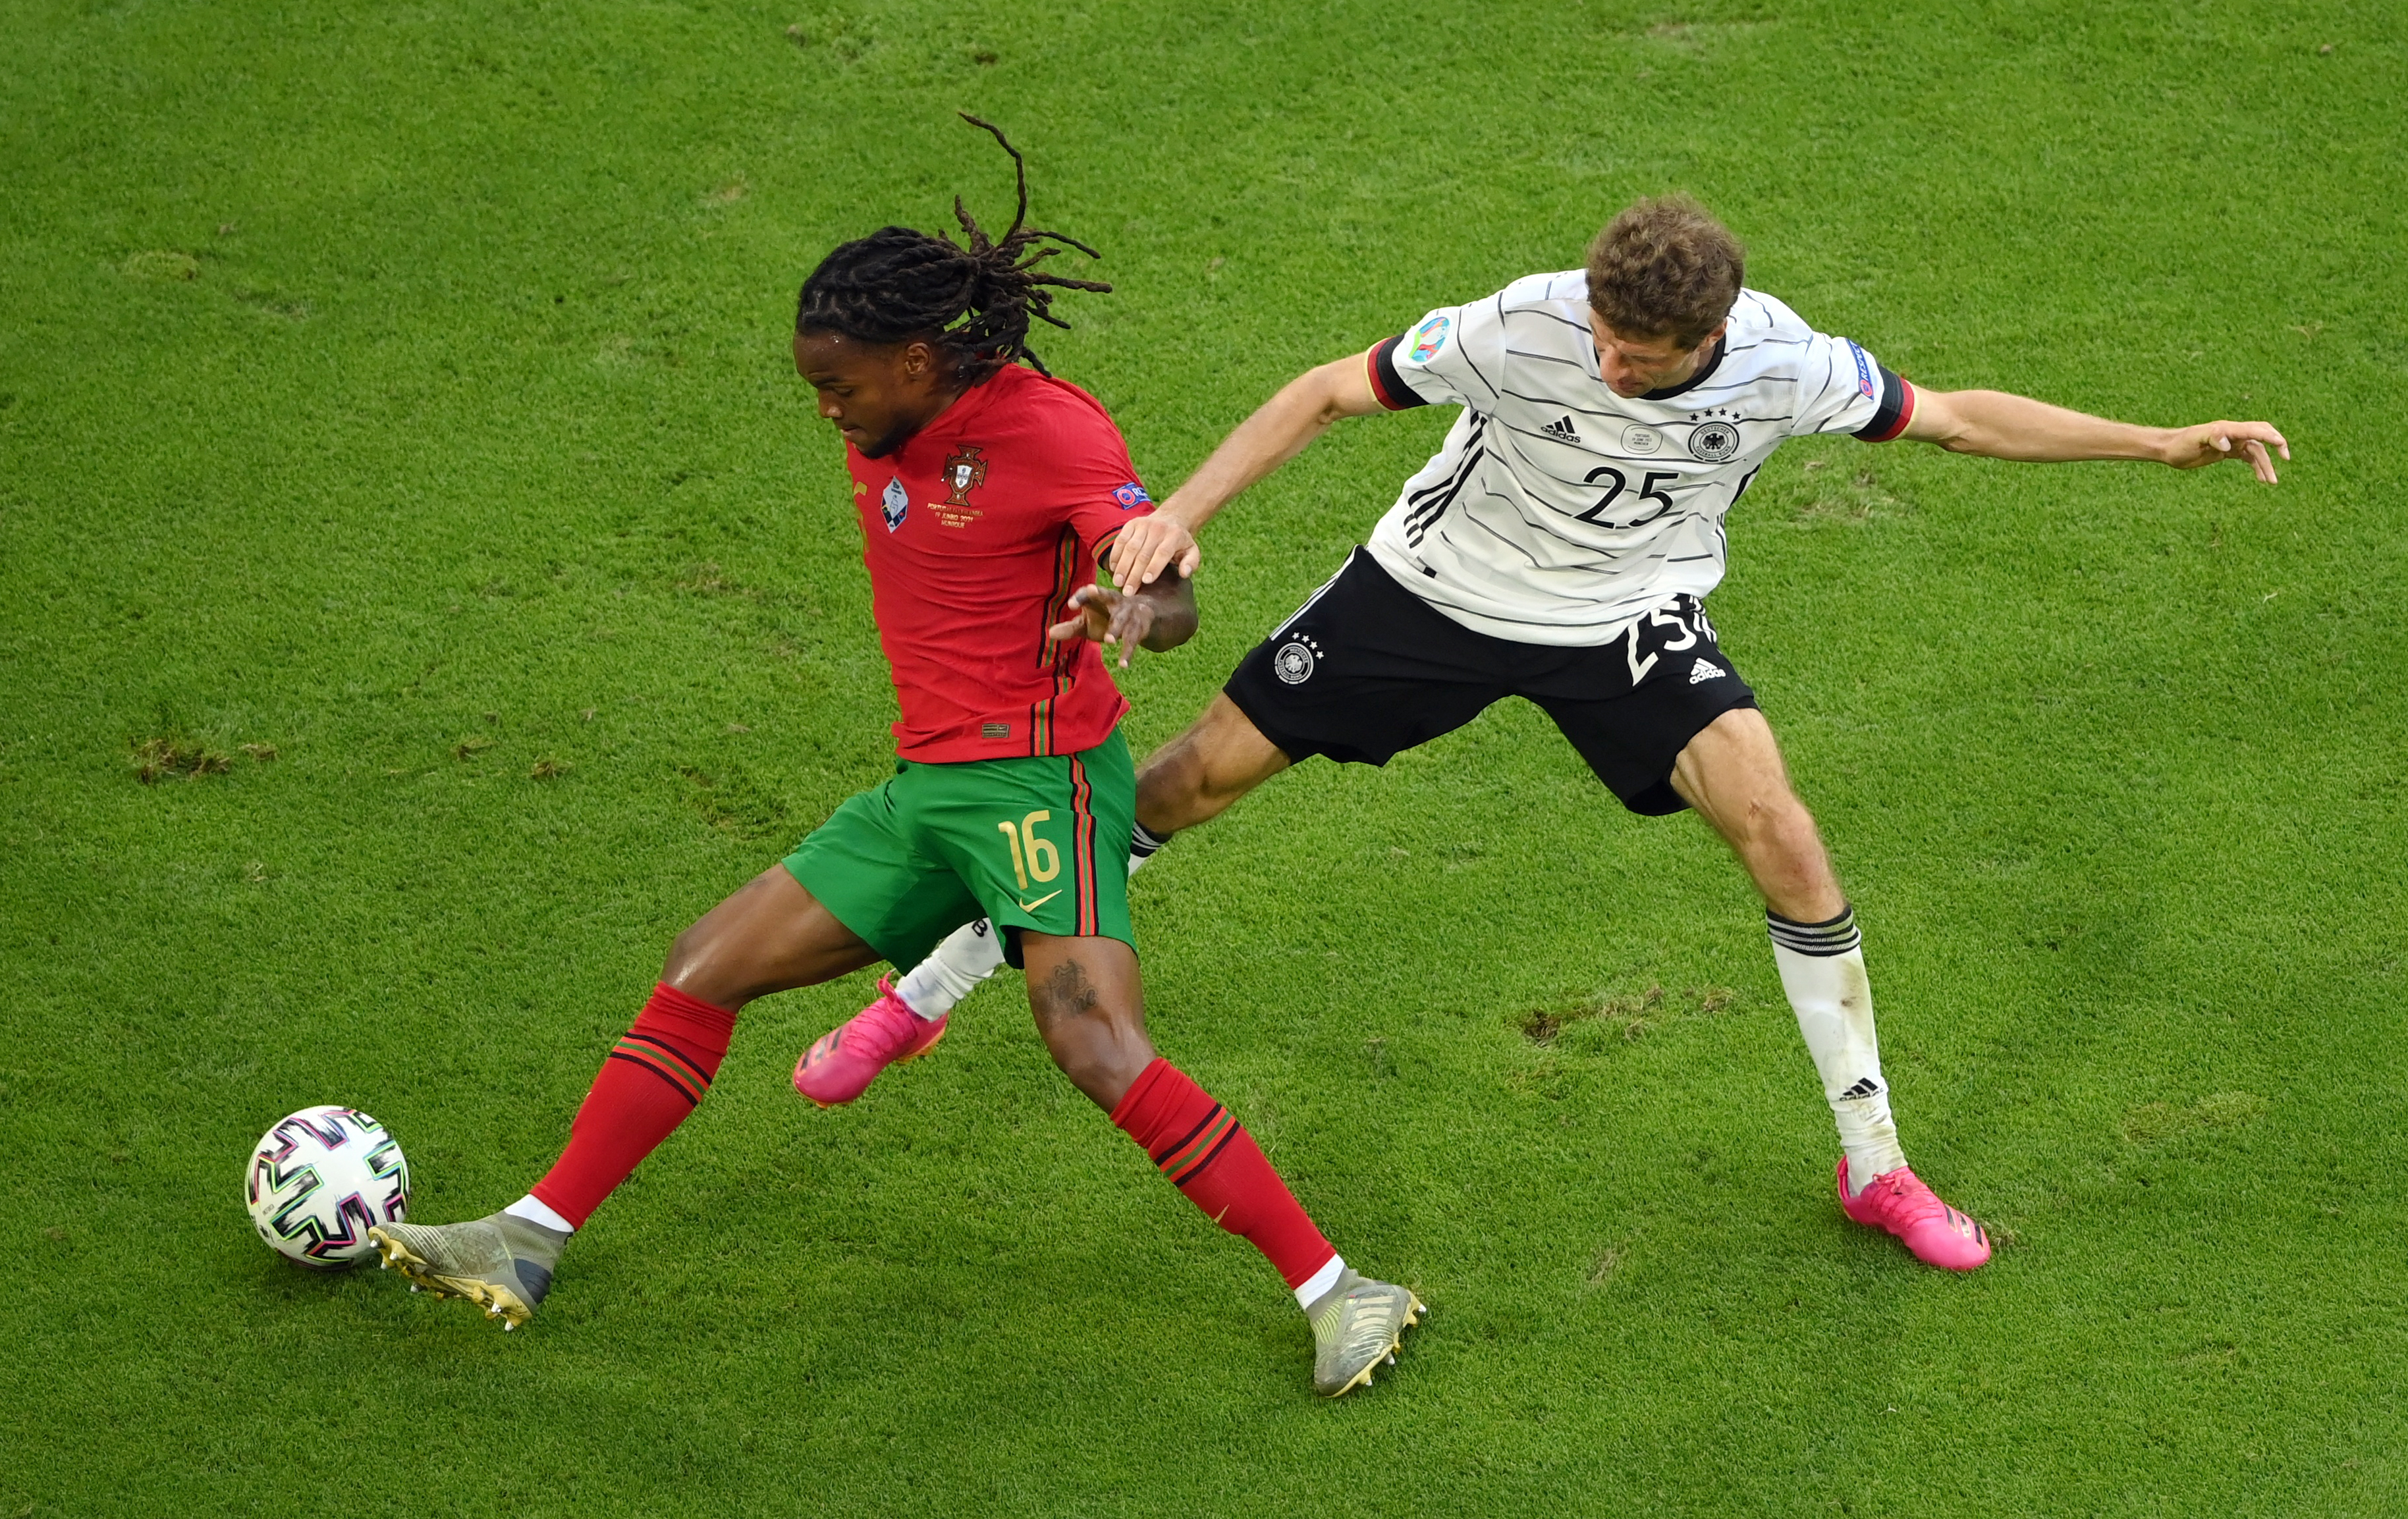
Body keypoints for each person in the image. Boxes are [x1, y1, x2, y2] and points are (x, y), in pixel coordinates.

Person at [811, 194, 2290, 1273]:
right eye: (1599, 333)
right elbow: (1332, 388)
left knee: (1782, 835)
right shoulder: (1524, 323)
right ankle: (928, 988)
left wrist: (2160, 440)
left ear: (1708, 332)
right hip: (1430, 590)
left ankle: (1877, 1168)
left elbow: (1957, 417)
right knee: (1184, 786)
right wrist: (1181, 516)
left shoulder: (1785, 364)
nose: (1606, 365)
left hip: (1624, 618)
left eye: (1640, 353)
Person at [370, 120, 1423, 1398]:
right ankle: (530, 1235)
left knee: (1094, 1046)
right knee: (703, 965)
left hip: (1041, 787)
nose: (826, 412)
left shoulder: (1051, 431)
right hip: (927, 793)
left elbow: (1167, 579)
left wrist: (1132, 606)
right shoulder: (894, 432)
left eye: (841, 387)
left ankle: (1339, 1292)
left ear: (917, 359)